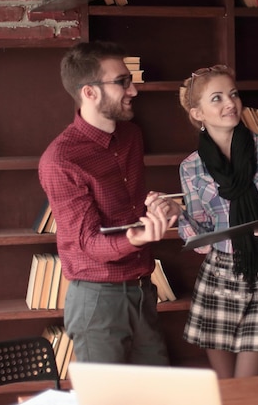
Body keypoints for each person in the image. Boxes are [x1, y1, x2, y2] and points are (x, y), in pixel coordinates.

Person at [147, 64, 258, 379]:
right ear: (197, 113)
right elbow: (202, 241)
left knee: (250, 390)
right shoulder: (191, 167)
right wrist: (179, 215)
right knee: (226, 390)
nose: (230, 103)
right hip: (218, 279)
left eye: (232, 94)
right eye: (216, 98)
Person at [38, 41, 176, 366]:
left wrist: (158, 208)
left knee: (158, 397)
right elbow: (86, 242)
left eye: (130, 80)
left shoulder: (131, 136)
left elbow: (129, 212)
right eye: (122, 82)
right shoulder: (60, 160)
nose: (134, 90)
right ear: (89, 92)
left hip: (143, 289)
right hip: (97, 299)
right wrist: (138, 237)